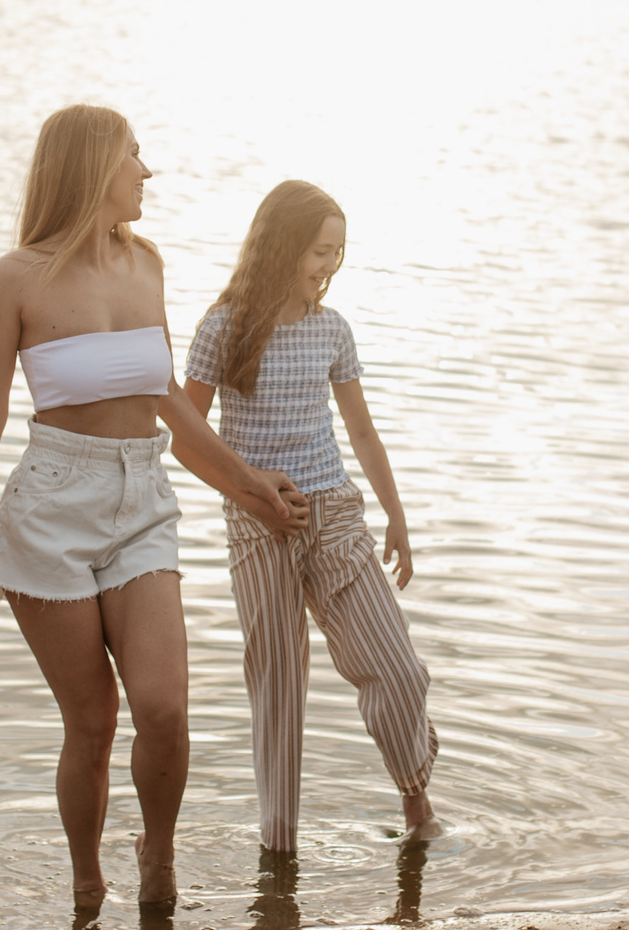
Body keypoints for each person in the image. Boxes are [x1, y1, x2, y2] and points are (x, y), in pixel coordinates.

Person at [0, 106, 307, 913]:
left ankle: (157, 850)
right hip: (51, 506)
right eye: (135, 154)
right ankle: (85, 882)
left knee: (165, 709)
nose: (147, 170)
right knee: (94, 722)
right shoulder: (16, 277)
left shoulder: (148, 264)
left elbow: (167, 398)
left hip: (141, 497)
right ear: (93, 166)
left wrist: (251, 482)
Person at [183, 180, 440, 856]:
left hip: (334, 514)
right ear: (284, 246)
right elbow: (186, 437)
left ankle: (416, 796)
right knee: (280, 693)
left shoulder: (332, 330)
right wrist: (250, 495)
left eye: (338, 252)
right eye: (319, 250)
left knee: (401, 670)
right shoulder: (223, 328)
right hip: (258, 521)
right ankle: (280, 852)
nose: (328, 265)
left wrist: (396, 515)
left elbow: (360, 429)